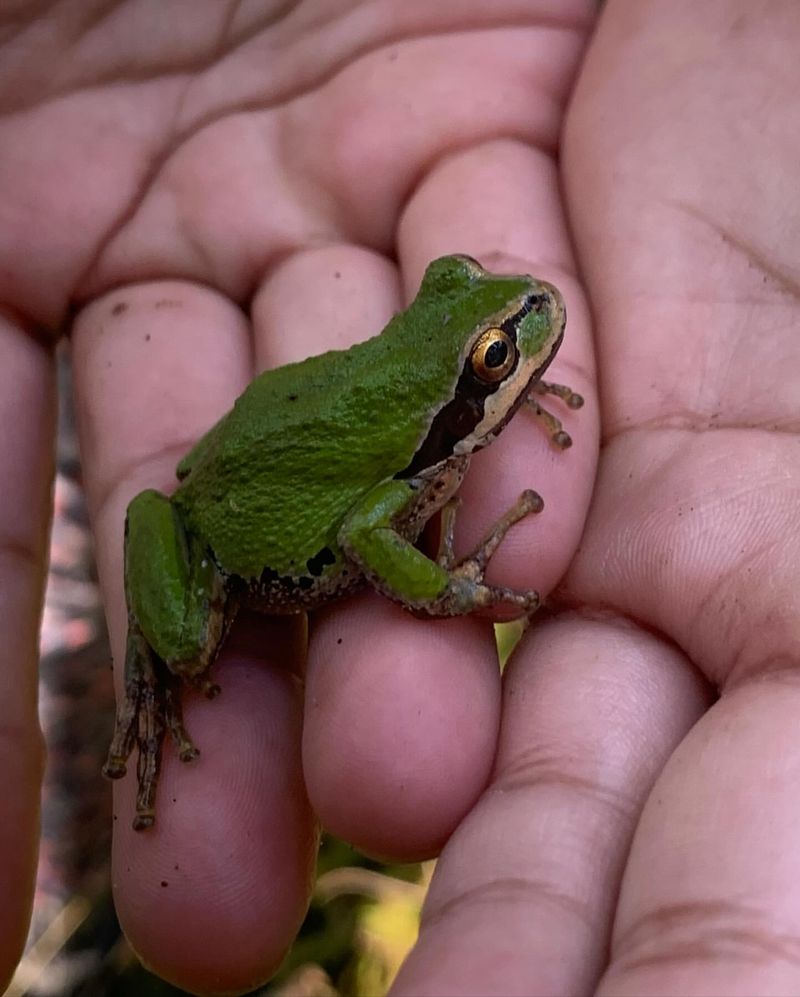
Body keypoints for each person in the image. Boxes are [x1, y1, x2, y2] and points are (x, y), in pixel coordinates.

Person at [2, 1, 798, 993]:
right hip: (237, 542)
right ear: (461, 396)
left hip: (290, 430)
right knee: (191, 642)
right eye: (498, 359)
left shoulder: (444, 425)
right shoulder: (419, 462)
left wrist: (496, 396)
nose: (526, 317)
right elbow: (368, 528)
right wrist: (451, 587)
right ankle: (134, 694)